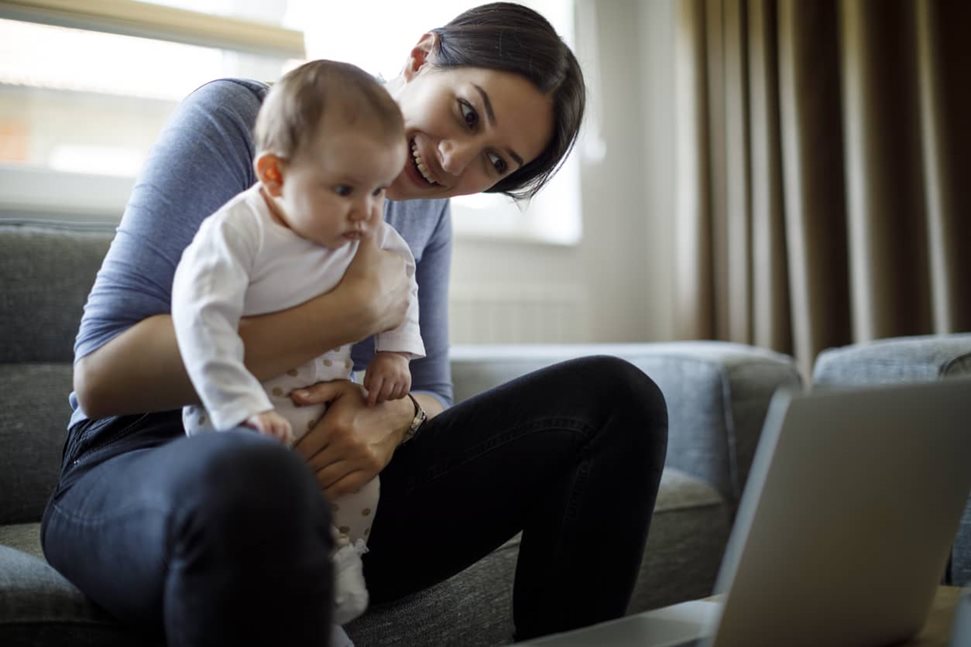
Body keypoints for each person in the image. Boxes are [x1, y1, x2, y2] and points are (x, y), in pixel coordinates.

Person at [42, 3, 668, 646]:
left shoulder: (428, 217)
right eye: (467, 113)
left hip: (333, 494)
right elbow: (101, 377)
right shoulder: (242, 122)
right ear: (421, 58)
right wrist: (346, 315)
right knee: (252, 477)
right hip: (148, 466)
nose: (454, 163)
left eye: (495, 163)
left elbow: (434, 393)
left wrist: (390, 420)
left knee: (618, 400)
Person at [170, 59, 424, 627]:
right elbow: (200, 321)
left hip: (323, 405)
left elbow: (401, 273)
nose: (366, 212)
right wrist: (240, 406)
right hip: (243, 410)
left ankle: (339, 562)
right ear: (276, 175)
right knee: (259, 509)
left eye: (378, 190)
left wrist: (394, 350)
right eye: (344, 189)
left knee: (357, 496)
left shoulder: (363, 224)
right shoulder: (239, 231)